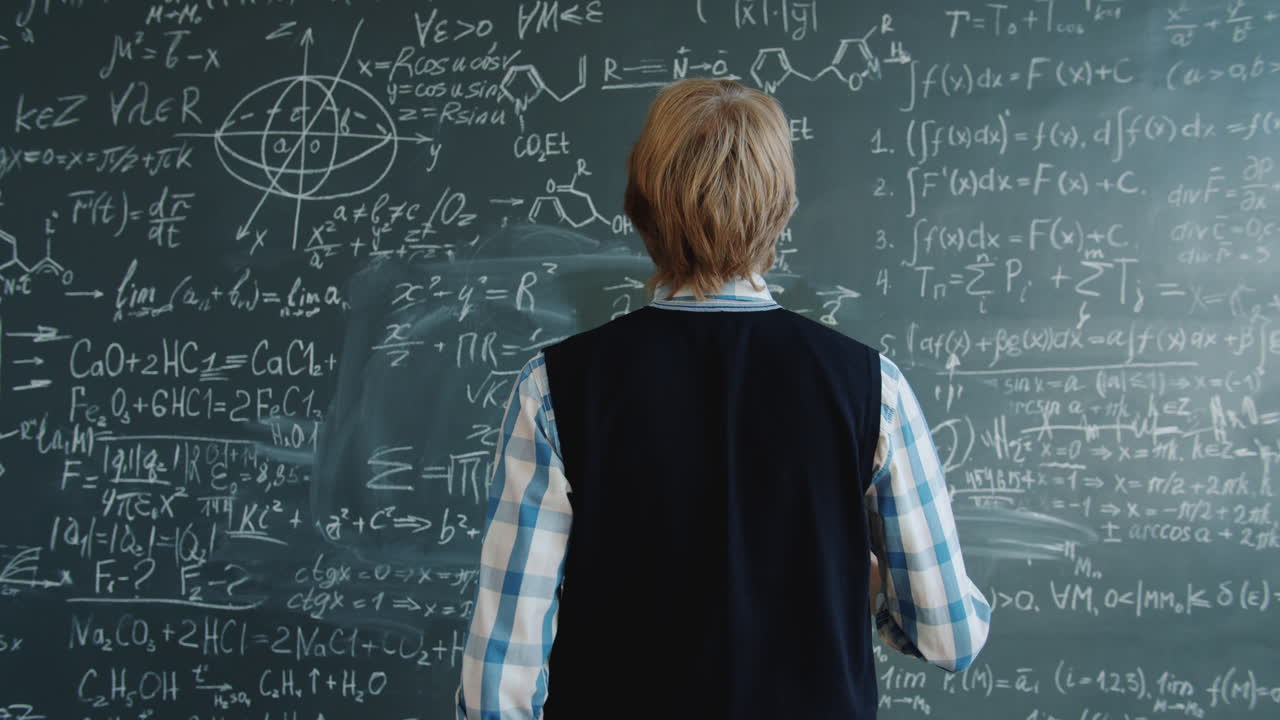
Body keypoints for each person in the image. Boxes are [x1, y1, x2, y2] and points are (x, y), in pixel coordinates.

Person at [455, 77, 991, 719]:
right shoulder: (872, 389)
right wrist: (867, 583)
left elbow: (499, 688)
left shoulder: (554, 388)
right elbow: (950, 638)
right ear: (783, 209)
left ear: (640, 206)